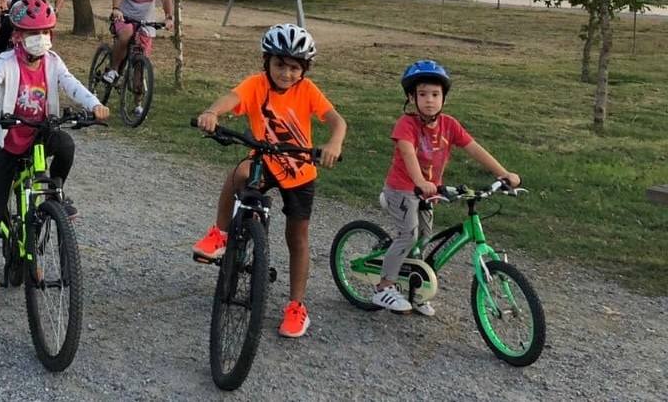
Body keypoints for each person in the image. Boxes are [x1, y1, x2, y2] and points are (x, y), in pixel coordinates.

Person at [192, 23, 346, 339]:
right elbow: (231, 98)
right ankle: (219, 234)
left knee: (297, 237)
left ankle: (296, 306)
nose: (286, 73)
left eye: (293, 68)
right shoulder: (256, 85)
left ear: (303, 70)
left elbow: (336, 120)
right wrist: (211, 113)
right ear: (267, 62)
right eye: (279, 65)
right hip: (264, 161)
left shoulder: (307, 91)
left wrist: (334, 143)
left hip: (300, 170)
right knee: (239, 173)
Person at [0, 0, 110, 306]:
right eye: (33, 33)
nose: (40, 39)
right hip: (10, 141)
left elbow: (72, 85)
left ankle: (56, 193)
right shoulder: (5, 62)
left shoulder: (53, 61)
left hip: (40, 137)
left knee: (66, 144)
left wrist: (94, 105)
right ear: (17, 35)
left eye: (46, 32)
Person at [372, 60, 520, 315]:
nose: (429, 100)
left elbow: (474, 149)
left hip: (429, 191)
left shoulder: (449, 125)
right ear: (411, 97)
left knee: (425, 237)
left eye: (435, 94)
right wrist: (419, 181)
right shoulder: (406, 125)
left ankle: (416, 290)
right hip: (402, 188)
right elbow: (407, 153)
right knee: (409, 234)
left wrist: (503, 173)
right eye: (422, 94)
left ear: (444, 97)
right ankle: (384, 287)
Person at [101, 0, 174, 87]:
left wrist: (169, 17)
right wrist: (116, 9)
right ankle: (113, 70)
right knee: (126, 33)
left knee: (141, 60)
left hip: (146, 22)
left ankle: (139, 103)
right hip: (125, 18)